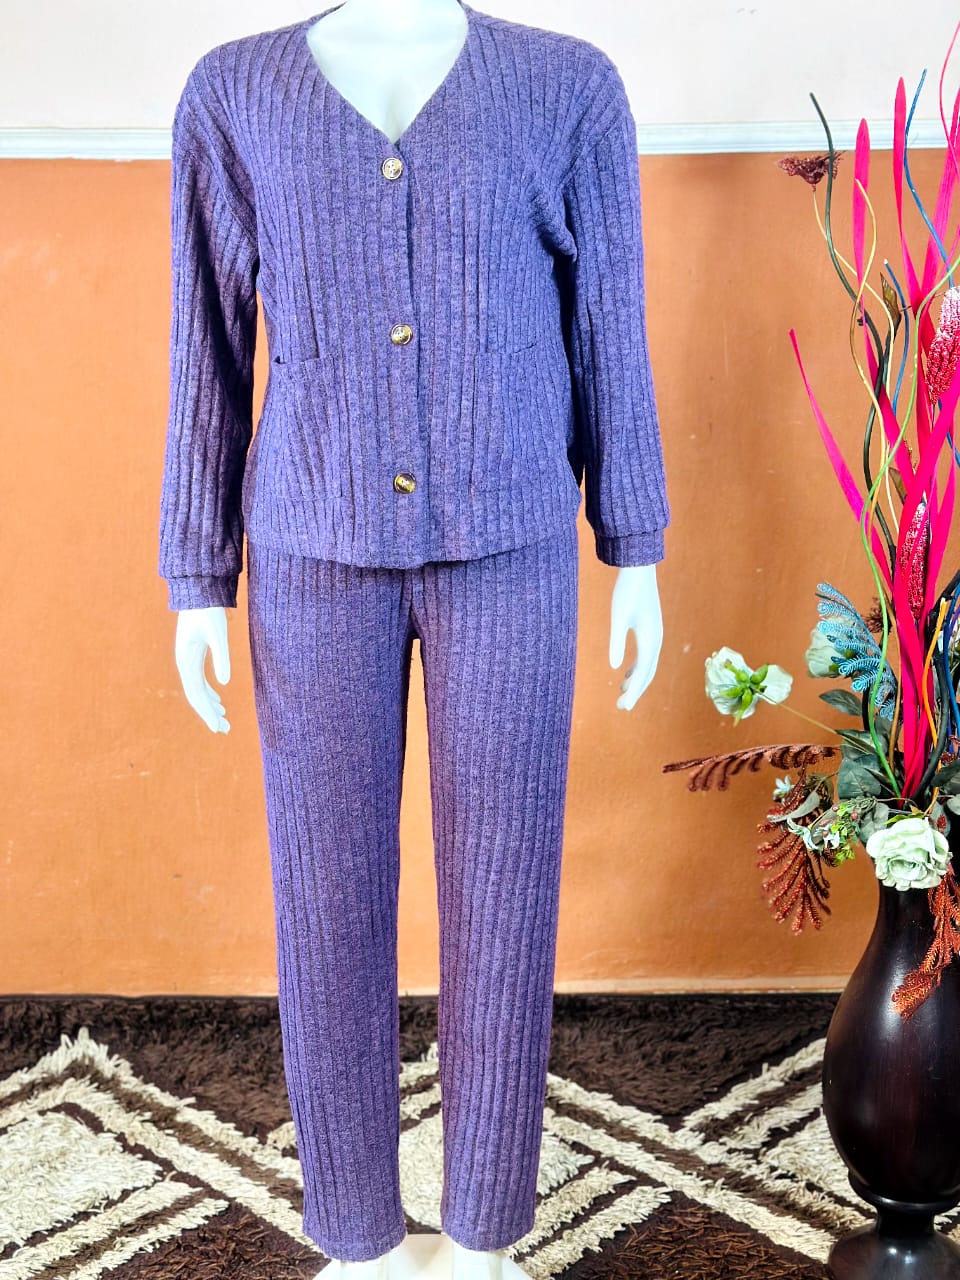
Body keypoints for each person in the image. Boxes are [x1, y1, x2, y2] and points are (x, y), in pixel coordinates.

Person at [159, 0, 669, 1274]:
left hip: (511, 543)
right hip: (312, 545)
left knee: (505, 894)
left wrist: (636, 543)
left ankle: (485, 1234)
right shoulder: (235, 92)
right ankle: (358, 1239)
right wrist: (197, 571)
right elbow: (205, 340)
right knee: (324, 899)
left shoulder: (567, 86)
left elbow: (608, 320)